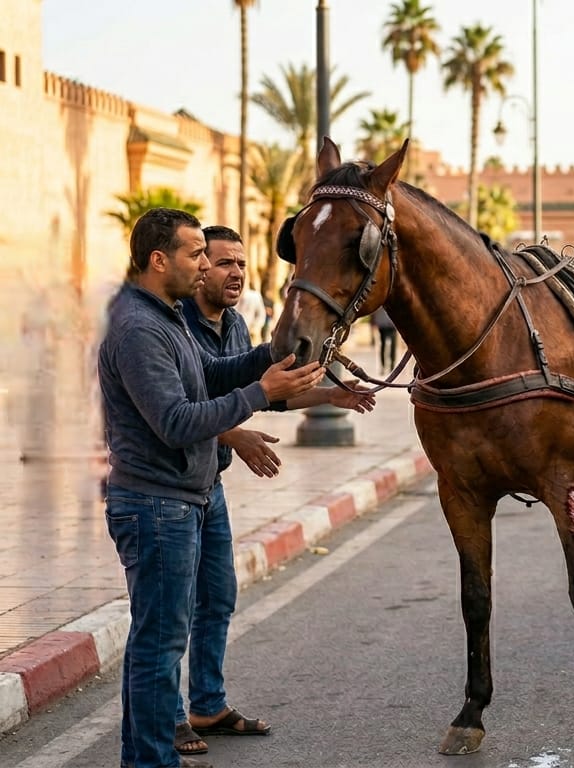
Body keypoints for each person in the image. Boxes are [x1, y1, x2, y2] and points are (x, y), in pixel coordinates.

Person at [99, 208, 325, 768]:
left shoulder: (165, 316)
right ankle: (151, 759)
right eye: (196, 253)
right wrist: (260, 393)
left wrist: (274, 357)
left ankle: (145, 757)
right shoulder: (137, 328)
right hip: (156, 506)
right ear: (158, 259)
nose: (204, 265)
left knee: (160, 641)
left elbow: (209, 375)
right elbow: (176, 419)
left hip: (180, 500)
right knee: (158, 647)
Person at [171, 226, 376, 758]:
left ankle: (208, 704)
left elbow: (264, 395)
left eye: (241, 263)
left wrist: (334, 394)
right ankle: (168, 718)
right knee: (171, 612)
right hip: (168, 487)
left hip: (207, 485)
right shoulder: (176, 326)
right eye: (222, 263)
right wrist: (232, 433)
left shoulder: (234, 325)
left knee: (217, 598)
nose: (235, 273)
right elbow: (172, 409)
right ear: (197, 271)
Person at [373, 305, 398, 374]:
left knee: (392, 346)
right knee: (383, 346)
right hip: (383, 326)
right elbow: (374, 312)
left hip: (391, 326)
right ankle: (383, 366)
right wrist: (374, 323)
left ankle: (392, 366)